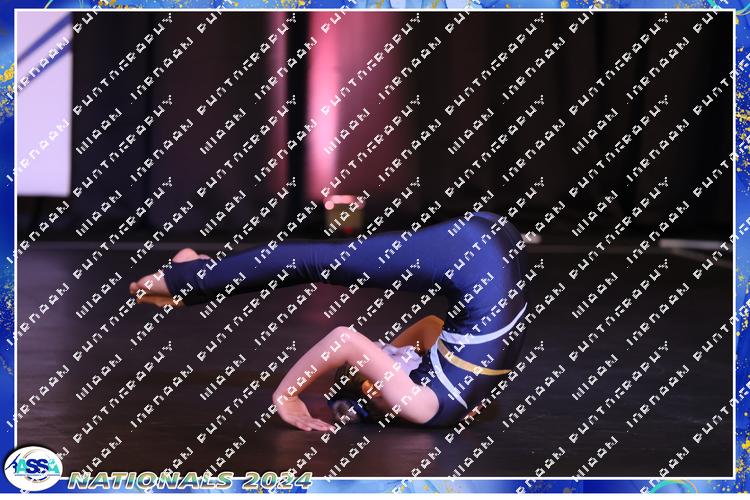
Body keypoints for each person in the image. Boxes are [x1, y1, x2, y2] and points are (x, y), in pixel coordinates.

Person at [129, 211, 529, 430]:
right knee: (313, 261)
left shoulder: (446, 399)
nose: (377, 378)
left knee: (321, 261)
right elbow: (344, 340)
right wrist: (287, 395)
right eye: (374, 381)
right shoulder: (423, 407)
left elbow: (429, 327)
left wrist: (391, 357)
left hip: (500, 240)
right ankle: (182, 279)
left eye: (368, 380)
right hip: (478, 252)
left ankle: (195, 274)